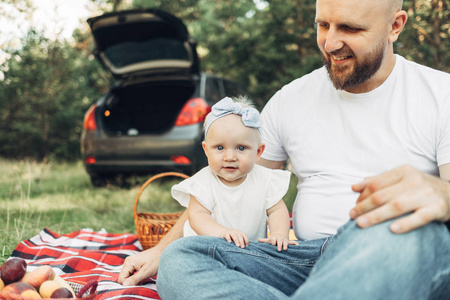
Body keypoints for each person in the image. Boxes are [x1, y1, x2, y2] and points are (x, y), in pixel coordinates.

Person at [119, 0, 450, 298]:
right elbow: (224, 187)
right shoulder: (291, 100)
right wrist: (160, 251)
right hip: (306, 259)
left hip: (394, 246)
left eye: (350, 28)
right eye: (323, 25)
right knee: (184, 259)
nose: (331, 43)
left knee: (406, 230)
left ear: (395, 26)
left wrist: (442, 195)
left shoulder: (440, 95)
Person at [171, 96, 296, 251]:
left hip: (248, 252)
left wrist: (278, 234)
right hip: (207, 251)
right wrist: (222, 233)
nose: (229, 157)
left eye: (241, 148)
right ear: (206, 150)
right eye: (219, 147)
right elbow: (197, 217)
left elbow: (277, 210)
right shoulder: (203, 182)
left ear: (258, 152)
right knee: (181, 257)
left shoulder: (265, 179)